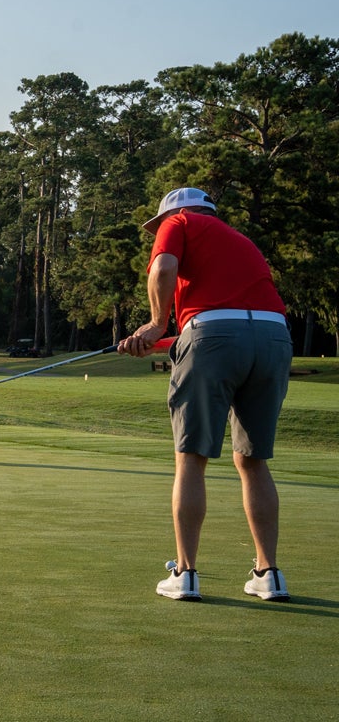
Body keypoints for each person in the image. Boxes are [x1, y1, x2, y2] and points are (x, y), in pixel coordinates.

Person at [117, 187, 293, 602]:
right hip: (273, 336)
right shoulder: (240, 240)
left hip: (214, 335)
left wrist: (158, 323)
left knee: (192, 457)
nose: (158, 231)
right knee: (252, 460)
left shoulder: (178, 222)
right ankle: (268, 574)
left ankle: (186, 573)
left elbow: (162, 268)